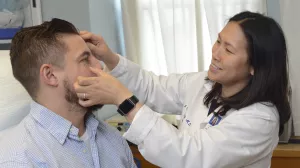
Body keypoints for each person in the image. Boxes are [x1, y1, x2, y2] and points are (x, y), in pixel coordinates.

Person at [74, 11, 291, 168]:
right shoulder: (204, 84)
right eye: (218, 41)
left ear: (255, 66)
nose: (216, 53)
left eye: (229, 50)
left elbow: (189, 156)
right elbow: (152, 88)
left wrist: (122, 99)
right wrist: (109, 58)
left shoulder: (260, 119)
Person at [0, 18, 137, 168]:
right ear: (50, 75)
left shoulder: (114, 140)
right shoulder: (20, 160)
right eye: (85, 59)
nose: (99, 66)